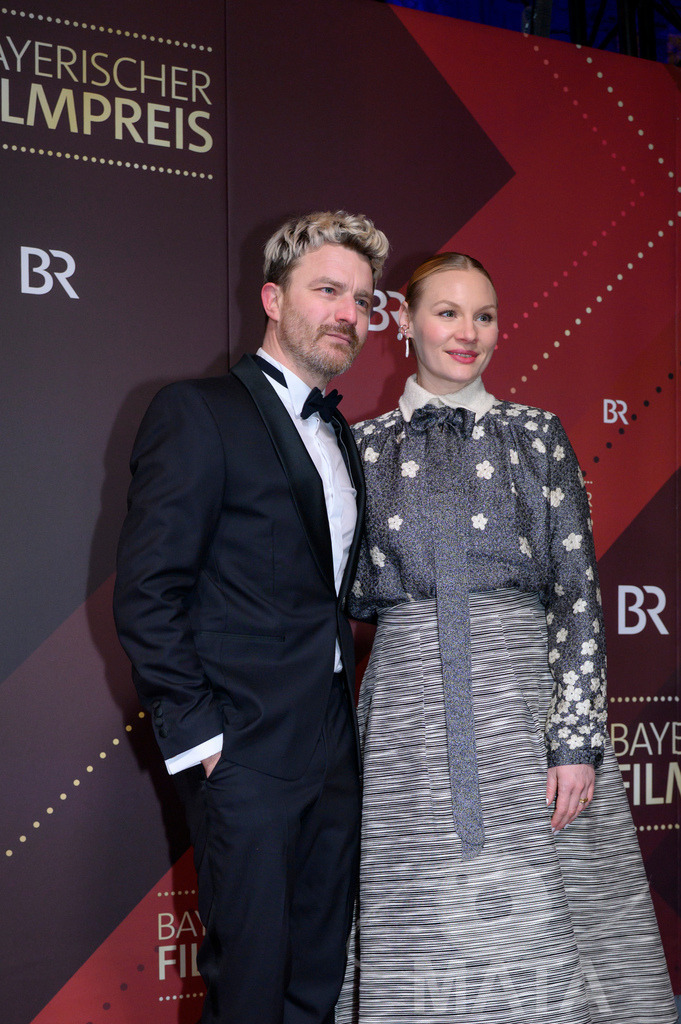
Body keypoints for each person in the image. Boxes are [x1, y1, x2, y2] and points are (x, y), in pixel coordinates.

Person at [336, 253, 676, 1024]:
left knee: (537, 916)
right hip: (409, 725)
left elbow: (576, 594)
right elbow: (341, 592)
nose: (468, 332)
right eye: (447, 312)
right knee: (423, 912)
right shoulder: (362, 449)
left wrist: (575, 740)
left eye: (483, 315)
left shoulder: (536, 435)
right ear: (404, 322)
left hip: (524, 711)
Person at [113, 210, 390, 1024]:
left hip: (331, 743)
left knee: (315, 977)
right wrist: (204, 743)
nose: (348, 313)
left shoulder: (338, 433)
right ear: (272, 298)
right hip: (244, 748)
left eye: (362, 301)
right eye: (328, 291)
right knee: (250, 984)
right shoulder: (196, 411)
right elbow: (149, 590)